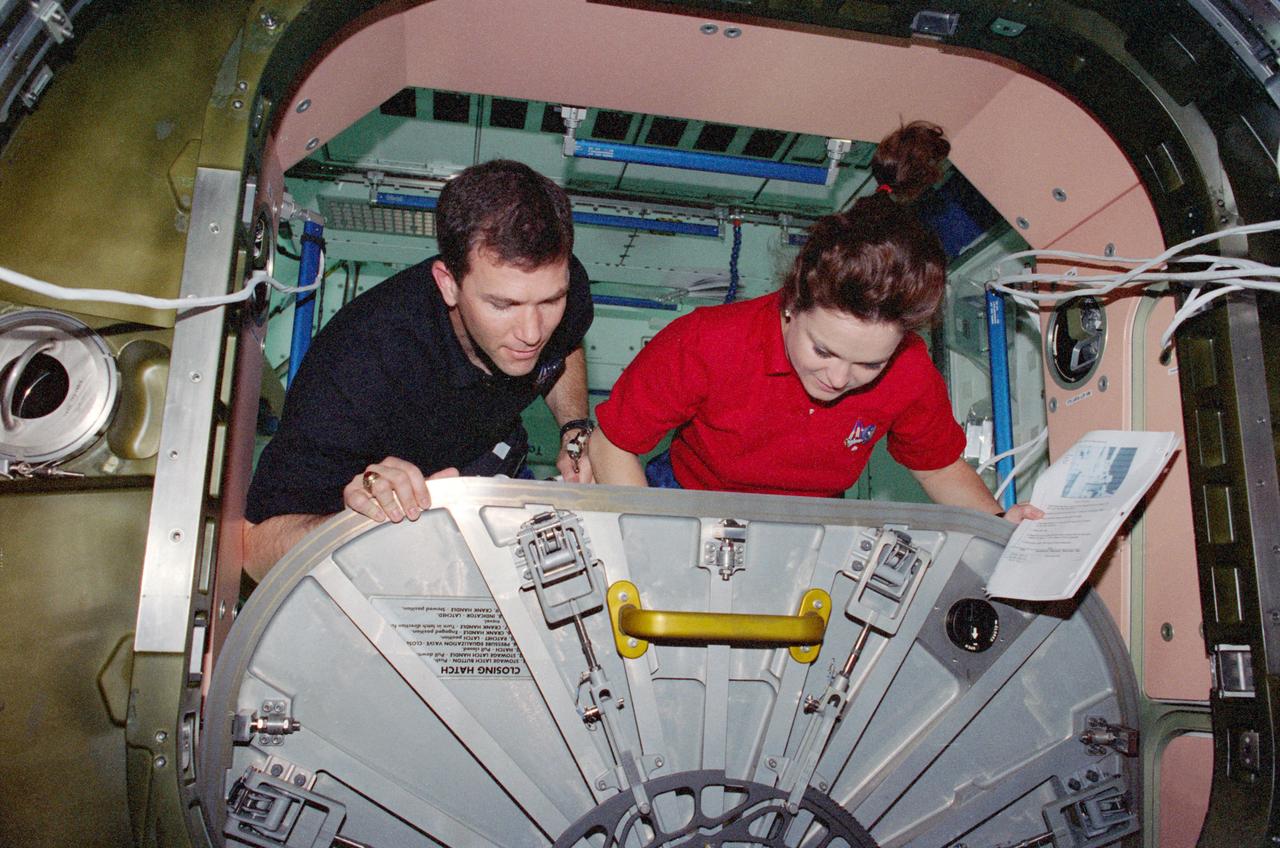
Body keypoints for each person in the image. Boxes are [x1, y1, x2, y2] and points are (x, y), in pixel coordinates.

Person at [589, 122, 1040, 522]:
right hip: (687, 496)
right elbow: (612, 444)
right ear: (792, 303)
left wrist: (999, 529)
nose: (839, 378)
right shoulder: (707, 341)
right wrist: (651, 541)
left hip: (815, 518)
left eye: (869, 365)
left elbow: (938, 467)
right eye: (823, 350)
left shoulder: (910, 370)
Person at [243, 159, 596, 579]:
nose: (532, 332)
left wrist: (574, 427)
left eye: (549, 302)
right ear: (448, 283)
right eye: (503, 305)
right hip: (386, 524)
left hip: (490, 459)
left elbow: (564, 346)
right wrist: (364, 522)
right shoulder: (359, 368)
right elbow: (253, 547)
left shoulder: (562, 288)